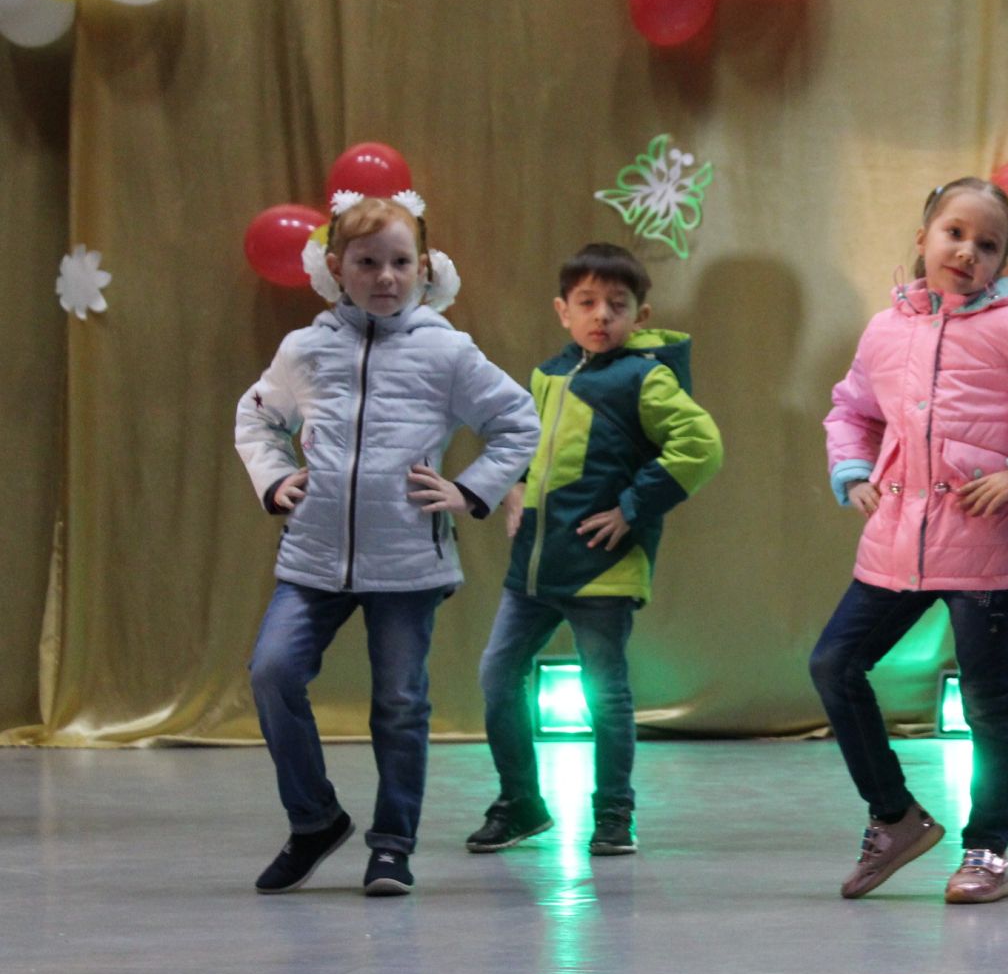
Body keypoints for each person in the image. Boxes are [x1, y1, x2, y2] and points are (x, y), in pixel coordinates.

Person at [813, 177, 1008, 904]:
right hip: (896, 540)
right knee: (833, 664)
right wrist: (853, 471)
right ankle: (895, 817)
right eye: (954, 234)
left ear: (1006, 263)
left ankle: (987, 852)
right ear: (922, 240)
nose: (968, 252)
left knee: (988, 704)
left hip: (986, 547)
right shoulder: (886, 331)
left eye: (989, 245)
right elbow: (851, 408)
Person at [236, 190, 539, 896]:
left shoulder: (446, 350)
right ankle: (313, 820)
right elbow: (256, 419)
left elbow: (518, 421)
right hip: (312, 560)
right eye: (367, 262)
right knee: (273, 672)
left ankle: (393, 844)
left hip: (407, 564)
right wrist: (275, 478)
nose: (385, 277)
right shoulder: (305, 348)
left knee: (400, 702)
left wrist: (469, 492)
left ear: (425, 268)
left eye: (400, 262)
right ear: (337, 267)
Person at [466, 243, 722, 858]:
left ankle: (613, 814)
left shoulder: (645, 377)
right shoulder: (548, 374)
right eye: (587, 303)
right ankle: (521, 802)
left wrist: (632, 508)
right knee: (498, 674)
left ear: (641, 313)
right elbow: (529, 441)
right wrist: (516, 486)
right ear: (563, 310)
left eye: (617, 304)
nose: (601, 316)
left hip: (602, 568)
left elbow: (700, 444)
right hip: (534, 565)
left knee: (604, 690)